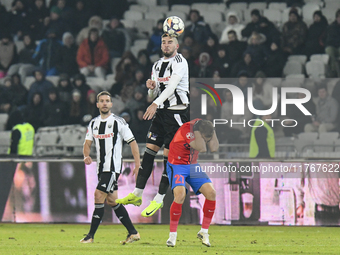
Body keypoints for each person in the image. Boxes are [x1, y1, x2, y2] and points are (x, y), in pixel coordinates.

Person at [116, 33, 190, 217]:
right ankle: (138, 193)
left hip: (177, 114)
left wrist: (155, 102)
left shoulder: (181, 62)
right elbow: (153, 94)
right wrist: (151, 89)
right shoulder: (157, 65)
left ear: (177, 45)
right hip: (161, 113)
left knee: (168, 159)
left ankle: (159, 198)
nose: (166, 45)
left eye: (170, 42)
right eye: (164, 42)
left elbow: (172, 87)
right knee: (148, 153)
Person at [80, 91, 141, 244]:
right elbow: (87, 143)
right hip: (101, 168)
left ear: (111, 104)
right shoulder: (93, 123)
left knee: (98, 195)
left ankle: (90, 236)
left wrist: (138, 163)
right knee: (112, 201)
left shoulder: (118, 122)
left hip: (112, 167)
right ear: (97, 104)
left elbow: (132, 142)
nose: (105, 103)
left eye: (107, 100)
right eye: (102, 101)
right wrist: (86, 155)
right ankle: (133, 233)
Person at [165, 119, 219, 247]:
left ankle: (204, 232)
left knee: (211, 193)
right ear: (199, 132)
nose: (206, 141)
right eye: (205, 138)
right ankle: (172, 235)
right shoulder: (187, 130)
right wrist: (200, 135)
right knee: (180, 195)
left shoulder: (205, 127)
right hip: (177, 165)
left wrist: (213, 131)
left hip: (192, 166)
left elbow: (214, 148)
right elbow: (202, 148)